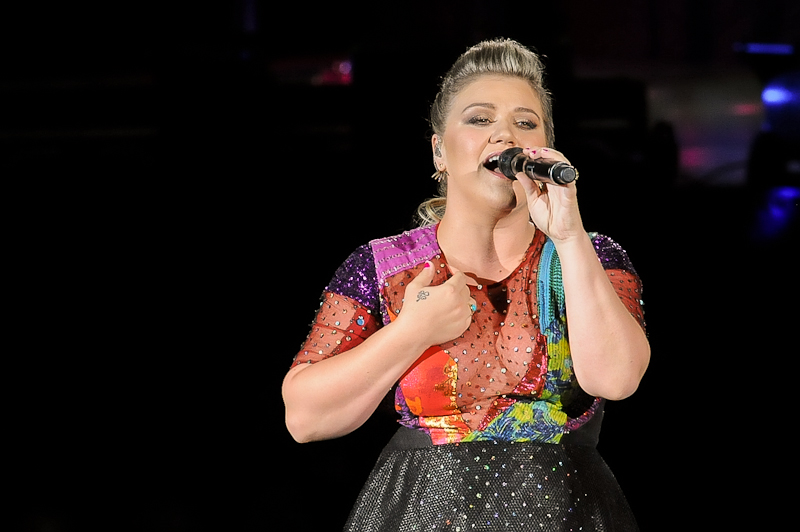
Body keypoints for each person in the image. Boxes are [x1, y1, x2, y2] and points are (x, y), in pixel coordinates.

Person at [282, 38, 650, 531]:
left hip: (569, 515)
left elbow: (617, 378)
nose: (504, 136)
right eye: (480, 120)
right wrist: (412, 331)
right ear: (439, 150)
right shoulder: (387, 267)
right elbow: (304, 418)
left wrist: (568, 235)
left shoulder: (589, 256)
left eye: (525, 123)